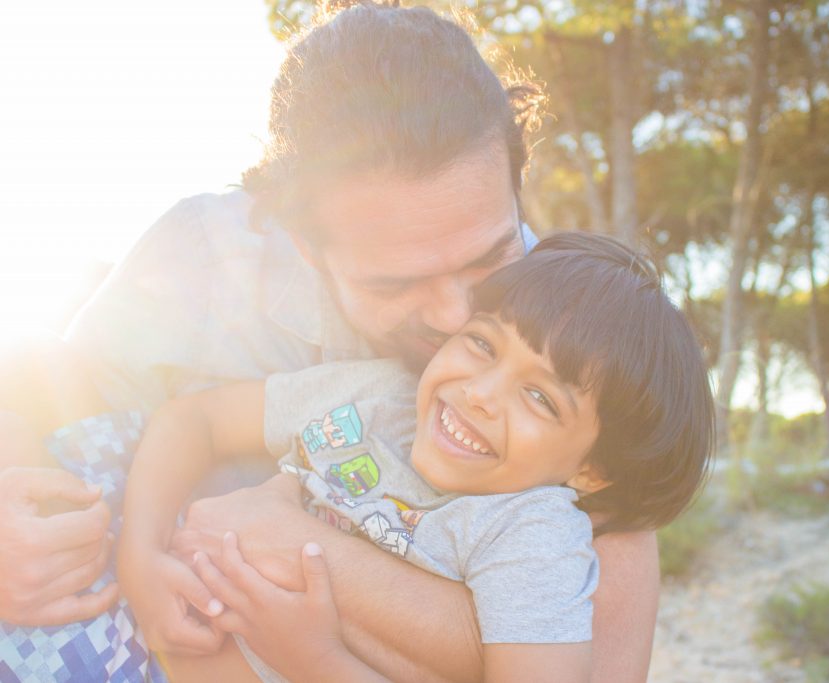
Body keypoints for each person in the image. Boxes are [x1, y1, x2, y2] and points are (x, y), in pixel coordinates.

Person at [0, 3, 663, 681]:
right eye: (395, 283)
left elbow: (594, 652)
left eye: (486, 257)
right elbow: (45, 386)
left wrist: (293, 549)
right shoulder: (205, 255)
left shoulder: (560, 331)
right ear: (303, 246)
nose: (455, 312)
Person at [118, 233, 715, 682]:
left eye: (539, 397)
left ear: (592, 470)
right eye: (482, 343)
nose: (480, 392)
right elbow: (194, 418)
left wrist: (317, 660)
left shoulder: (532, 536)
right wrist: (139, 557)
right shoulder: (375, 396)